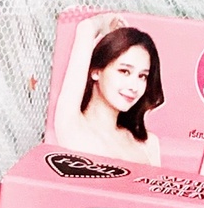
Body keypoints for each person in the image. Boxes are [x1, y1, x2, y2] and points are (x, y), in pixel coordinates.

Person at [53, 12, 164, 166]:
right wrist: (104, 22)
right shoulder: (74, 128)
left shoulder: (148, 144)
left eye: (142, 76)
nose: (134, 86)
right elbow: (86, 28)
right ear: (96, 71)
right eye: (124, 71)